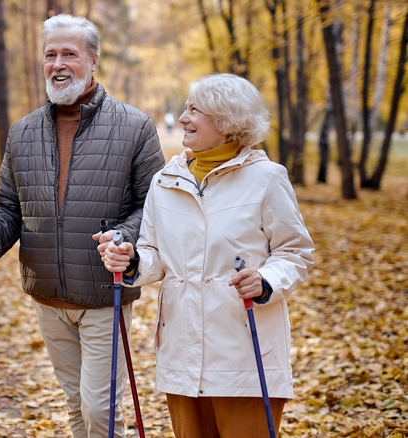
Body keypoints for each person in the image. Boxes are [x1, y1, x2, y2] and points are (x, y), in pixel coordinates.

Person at [0, 14, 165, 438]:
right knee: (76, 406)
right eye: (50, 54)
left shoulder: (135, 127)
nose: (58, 63)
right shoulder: (23, 132)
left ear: (93, 61)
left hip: (104, 293)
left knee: (99, 411)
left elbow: (153, 207)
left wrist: (122, 240)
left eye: (69, 53)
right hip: (48, 297)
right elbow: (9, 206)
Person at [100, 73, 314, 437]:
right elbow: (153, 252)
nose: (183, 118)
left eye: (194, 110)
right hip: (182, 355)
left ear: (228, 121)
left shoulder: (267, 178)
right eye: (186, 108)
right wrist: (132, 260)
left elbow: (295, 252)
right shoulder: (165, 180)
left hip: (245, 353)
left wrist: (265, 280)